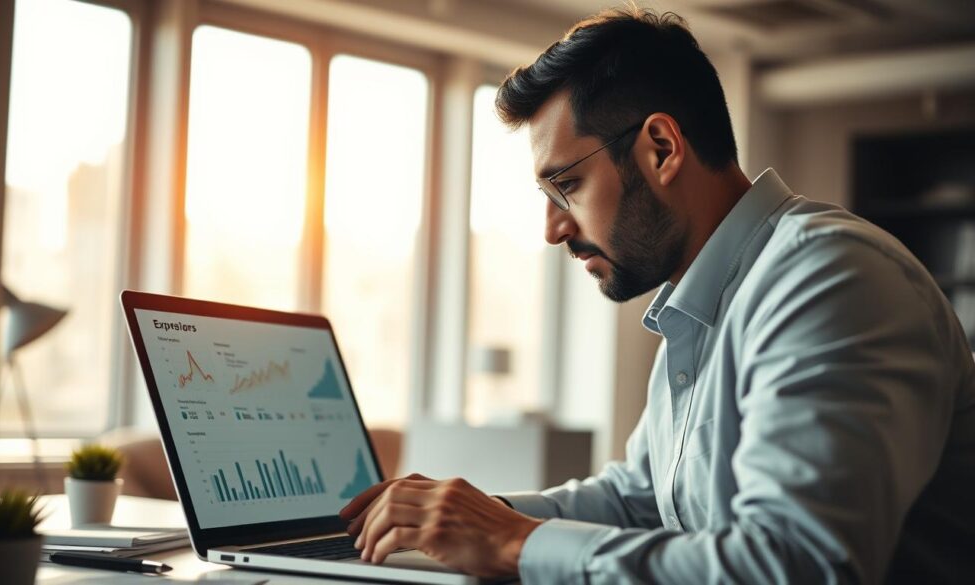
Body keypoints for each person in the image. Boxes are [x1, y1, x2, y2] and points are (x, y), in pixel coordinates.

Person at [339, 7, 975, 584]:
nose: (553, 229)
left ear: (662, 149)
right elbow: (642, 500)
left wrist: (513, 543)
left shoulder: (828, 280)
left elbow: (793, 565)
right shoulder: (701, 305)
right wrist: (471, 518)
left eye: (566, 186)